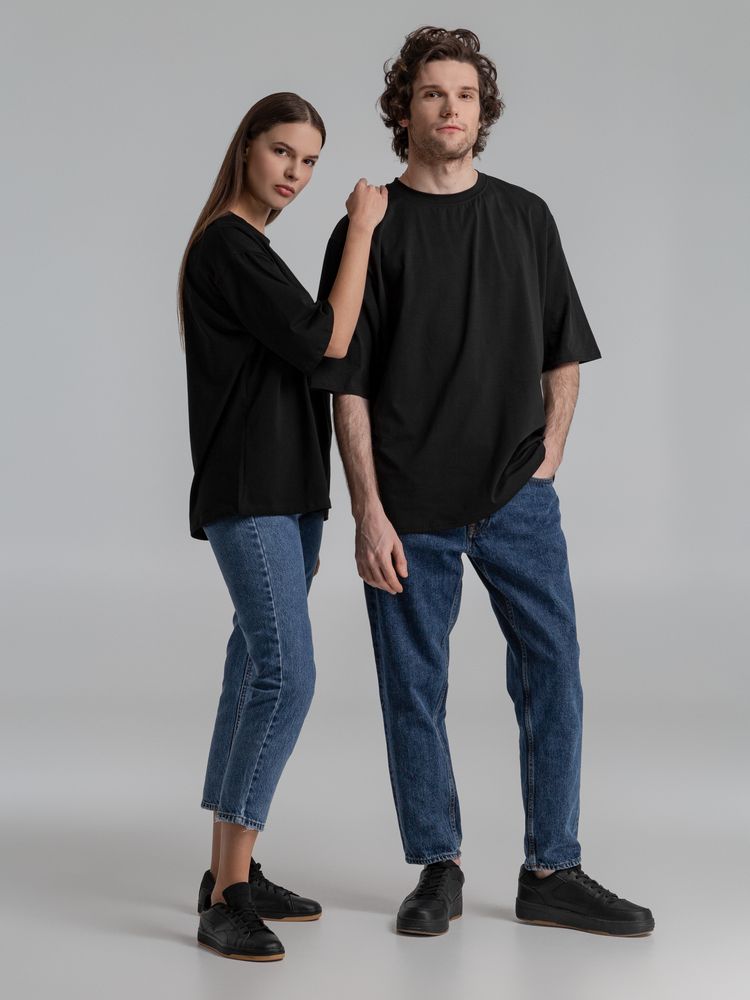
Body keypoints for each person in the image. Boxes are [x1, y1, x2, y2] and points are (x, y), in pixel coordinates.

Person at [310, 27, 655, 937]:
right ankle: (439, 866)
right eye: (432, 93)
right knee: (412, 690)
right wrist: (368, 512)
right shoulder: (368, 227)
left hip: (515, 498)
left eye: (464, 94)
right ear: (405, 111)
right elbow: (347, 385)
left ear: (483, 110)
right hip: (408, 506)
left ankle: (553, 869)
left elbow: (563, 353)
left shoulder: (525, 217)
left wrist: (549, 455)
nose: (451, 108)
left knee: (554, 674)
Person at [178, 91, 387, 961]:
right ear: (247, 149)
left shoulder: (252, 248)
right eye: (282, 153)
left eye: (309, 161)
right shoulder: (227, 245)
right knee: (285, 678)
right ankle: (227, 896)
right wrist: (363, 227)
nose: (295, 173)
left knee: (252, 674)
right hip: (252, 493)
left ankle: (231, 871)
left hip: (287, 497)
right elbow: (326, 340)